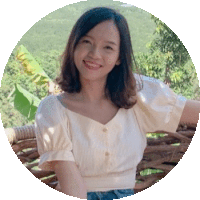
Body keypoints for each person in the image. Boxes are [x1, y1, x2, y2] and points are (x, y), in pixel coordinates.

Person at [34, 7, 200, 199]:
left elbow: (189, 111)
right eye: (86, 42)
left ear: (119, 57)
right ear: (73, 46)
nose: (95, 54)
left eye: (108, 47)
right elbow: (71, 183)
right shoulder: (52, 110)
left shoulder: (137, 96)